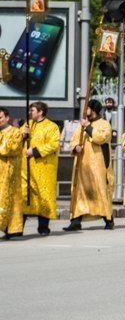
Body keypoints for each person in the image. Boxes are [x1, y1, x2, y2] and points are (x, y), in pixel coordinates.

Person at [64, 99, 114, 232]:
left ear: (93, 110)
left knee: (100, 190)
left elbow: (101, 138)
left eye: (87, 108)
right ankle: (75, 220)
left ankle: (108, 219)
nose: (85, 111)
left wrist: (88, 127)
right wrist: (75, 148)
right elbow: (73, 140)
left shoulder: (104, 124)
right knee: (79, 192)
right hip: (82, 165)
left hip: (98, 164)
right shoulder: (81, 125)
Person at [19, 101, 61, 237]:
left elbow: (53, 145)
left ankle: (43, 227)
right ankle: (17, 228)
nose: (30, 113)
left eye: (32, 110)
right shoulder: (27, 125)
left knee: (44, 196)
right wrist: (23, 135)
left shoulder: (52, 127)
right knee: (25, 196)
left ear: (40, 112)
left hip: (44, 168)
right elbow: (16, 140)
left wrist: (35, 151)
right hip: (27, 168)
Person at [0, 107, 26, 239]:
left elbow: (13, 149)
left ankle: (11, 228)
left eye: (0, 117)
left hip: (9, 172)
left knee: (10, 200)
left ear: (7, 118)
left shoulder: (15, 132)